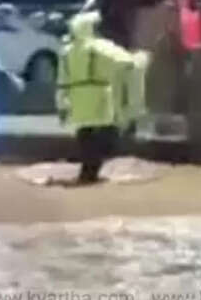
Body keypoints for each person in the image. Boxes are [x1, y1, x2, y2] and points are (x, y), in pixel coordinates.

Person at [57, 11, 149, 184]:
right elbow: (125, 62)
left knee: (85, 135)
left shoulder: (67, 51)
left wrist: (61, 104)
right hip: (99, 95)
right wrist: (140, 58)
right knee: (105, 133)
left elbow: (62, 80)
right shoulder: (100, 47)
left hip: (77, 98)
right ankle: (92, 171)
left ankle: (87, 171)